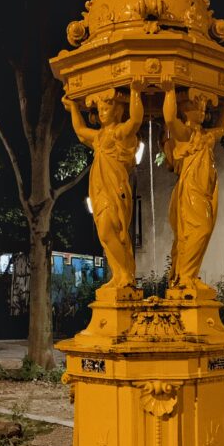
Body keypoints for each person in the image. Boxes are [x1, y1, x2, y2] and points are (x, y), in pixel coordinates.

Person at [62, 79, 144, 292]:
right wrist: (73, 108)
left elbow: (136, 120)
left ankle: (125, 274)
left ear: (117, 111)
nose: (102, 113)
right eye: (99, 110)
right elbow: (81, 130)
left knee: (111, 230)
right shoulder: (99, 136)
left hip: (115, 188)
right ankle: (120, 275)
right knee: (105, 234)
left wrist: (135, 91)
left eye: (106, 108)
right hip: (99, 189)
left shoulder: (119, 133)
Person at [162, 81, 224, 294]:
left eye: (204, 108)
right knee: (199, 229)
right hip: (192, 189)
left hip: (205, 189)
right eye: (198, 107)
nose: (203, 112)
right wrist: (169, 91)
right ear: (186, 110)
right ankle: (185, 277)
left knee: (202, 230)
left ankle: (188, 276)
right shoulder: (185, 134)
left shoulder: (204, 134)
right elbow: (170, 118)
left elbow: (222, 129)